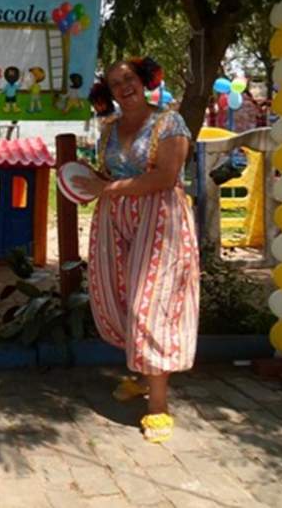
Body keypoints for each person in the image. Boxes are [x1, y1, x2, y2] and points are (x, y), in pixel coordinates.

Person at [73, 57, 200, 444]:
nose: (123, 86)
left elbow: (164, 176)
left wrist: (106, 190)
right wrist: (82, 180)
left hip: (159, 218)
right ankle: (142, 376)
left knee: (153, 302)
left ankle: (158, 405)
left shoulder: (169, 122)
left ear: (143, 81)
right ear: (107, 92)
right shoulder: (109, 128)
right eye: (114, 83)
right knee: (122, 298)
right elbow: (109, 176)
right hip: (115, 219)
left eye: (128, 78)